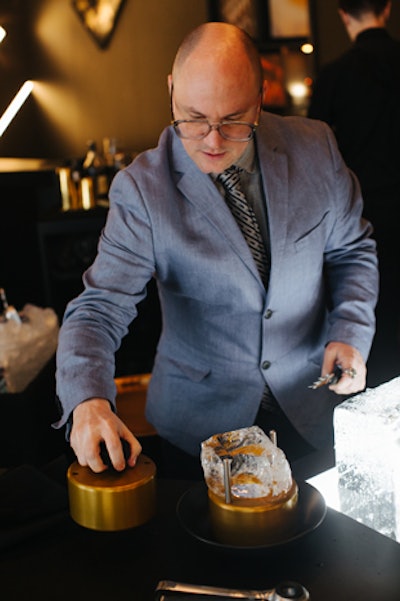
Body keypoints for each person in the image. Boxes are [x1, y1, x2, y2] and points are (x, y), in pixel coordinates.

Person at [54, 22, 378, 479]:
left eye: (232, 121)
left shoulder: (316, 146)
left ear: (261, 97)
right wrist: (87, 400)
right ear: (171, 91)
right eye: (193, 118)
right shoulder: (142, 189)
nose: (212, 140)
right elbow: (99, 309)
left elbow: (352, 251)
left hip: (312, 409)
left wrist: (349, 331)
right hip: (200, 434)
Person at [308, 0, 400, 387]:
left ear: (343, 15)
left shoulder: (334, 76)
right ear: (388, 9)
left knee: (376, 337)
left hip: (362, 222)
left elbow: (311, 156)